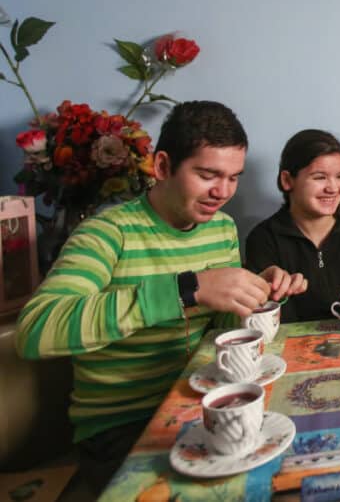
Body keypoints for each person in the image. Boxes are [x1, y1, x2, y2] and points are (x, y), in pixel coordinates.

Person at [15, 101, 308, 495]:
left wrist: (255, 296)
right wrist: (188, 288)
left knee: (299, 469)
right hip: (122, 426)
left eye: (233, 177)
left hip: (200, 403)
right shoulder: (107, 233)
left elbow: (218, 329)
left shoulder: (220, 228)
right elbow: (37, 330)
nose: (222, 192)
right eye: (207, 175)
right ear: (163, 166)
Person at [245, 129, 340, 323]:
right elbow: (264, 316)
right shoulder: (263, 239)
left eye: (339, 176)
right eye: (320, 177)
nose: (333, 188)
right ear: (287, 180)